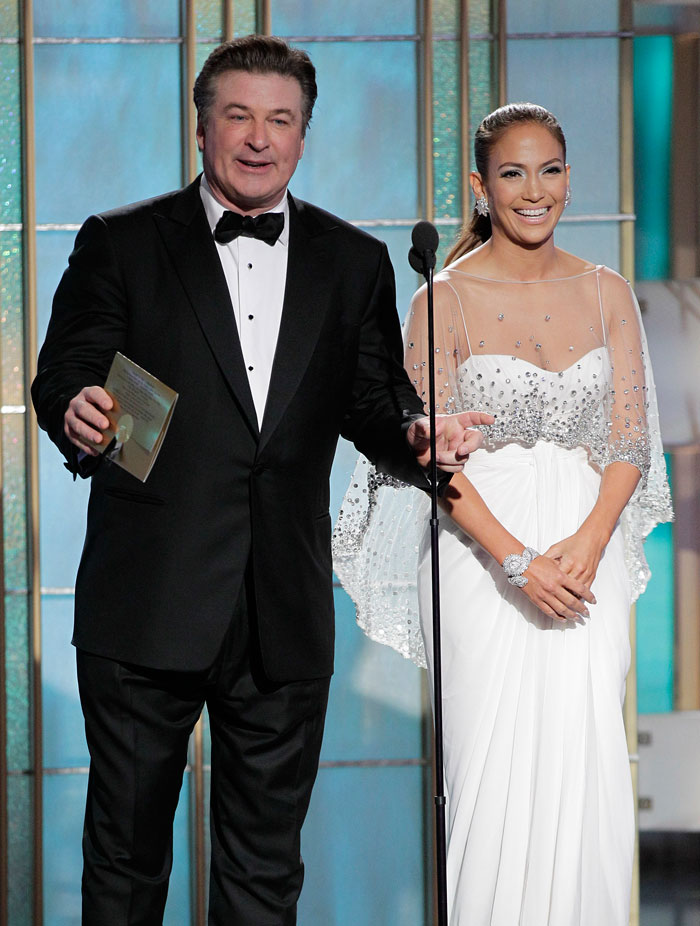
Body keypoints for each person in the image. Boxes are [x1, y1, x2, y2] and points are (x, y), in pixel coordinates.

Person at [31, 35, 490, 926]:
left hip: (280, 609)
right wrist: (78, 408)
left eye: (280, 119)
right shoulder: (122, 243)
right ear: (201, 128)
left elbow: (374, 402)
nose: (257, 137)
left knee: (265, 873)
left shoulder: (351, 261)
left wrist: (418, 438)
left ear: (304, 135)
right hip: (146, 601)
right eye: (237, 115)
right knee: (124, 863)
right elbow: (66, 373)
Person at [333, 102, 673, 925]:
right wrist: (518, 559)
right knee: (493, 774)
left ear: (568, 178)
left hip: (584, 554)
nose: (534, 191)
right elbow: (420, 452)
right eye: (513, 174)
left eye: (550, 170)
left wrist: (588, 546)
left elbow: (631, 437)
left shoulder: (607, 292)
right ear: (481, 188)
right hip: (478, 554)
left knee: (586, 763)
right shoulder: (439, 300)